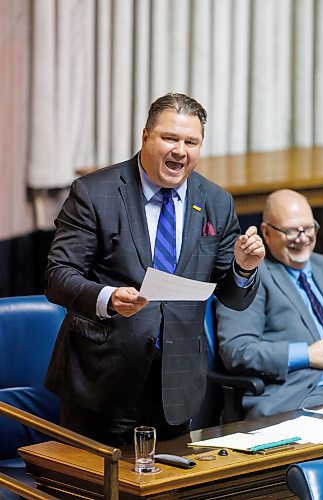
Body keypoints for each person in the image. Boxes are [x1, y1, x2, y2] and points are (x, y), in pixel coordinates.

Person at [44, 92, 265, 445]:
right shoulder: (94, 192)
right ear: (146, 136)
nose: (180, 151)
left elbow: (233, 297)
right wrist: (109, 297)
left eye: (191, 142)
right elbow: (58, 276)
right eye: (170, 138)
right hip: (102, 382)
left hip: (176, 384)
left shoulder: (215, 201)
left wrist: (242, 267)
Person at [216, 189, 323, 419]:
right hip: (301, 394)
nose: (302, 238)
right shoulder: (250, 277)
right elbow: (238, 351)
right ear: (267, 233)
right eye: (291, 231)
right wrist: (308, 354)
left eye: (309, 228)